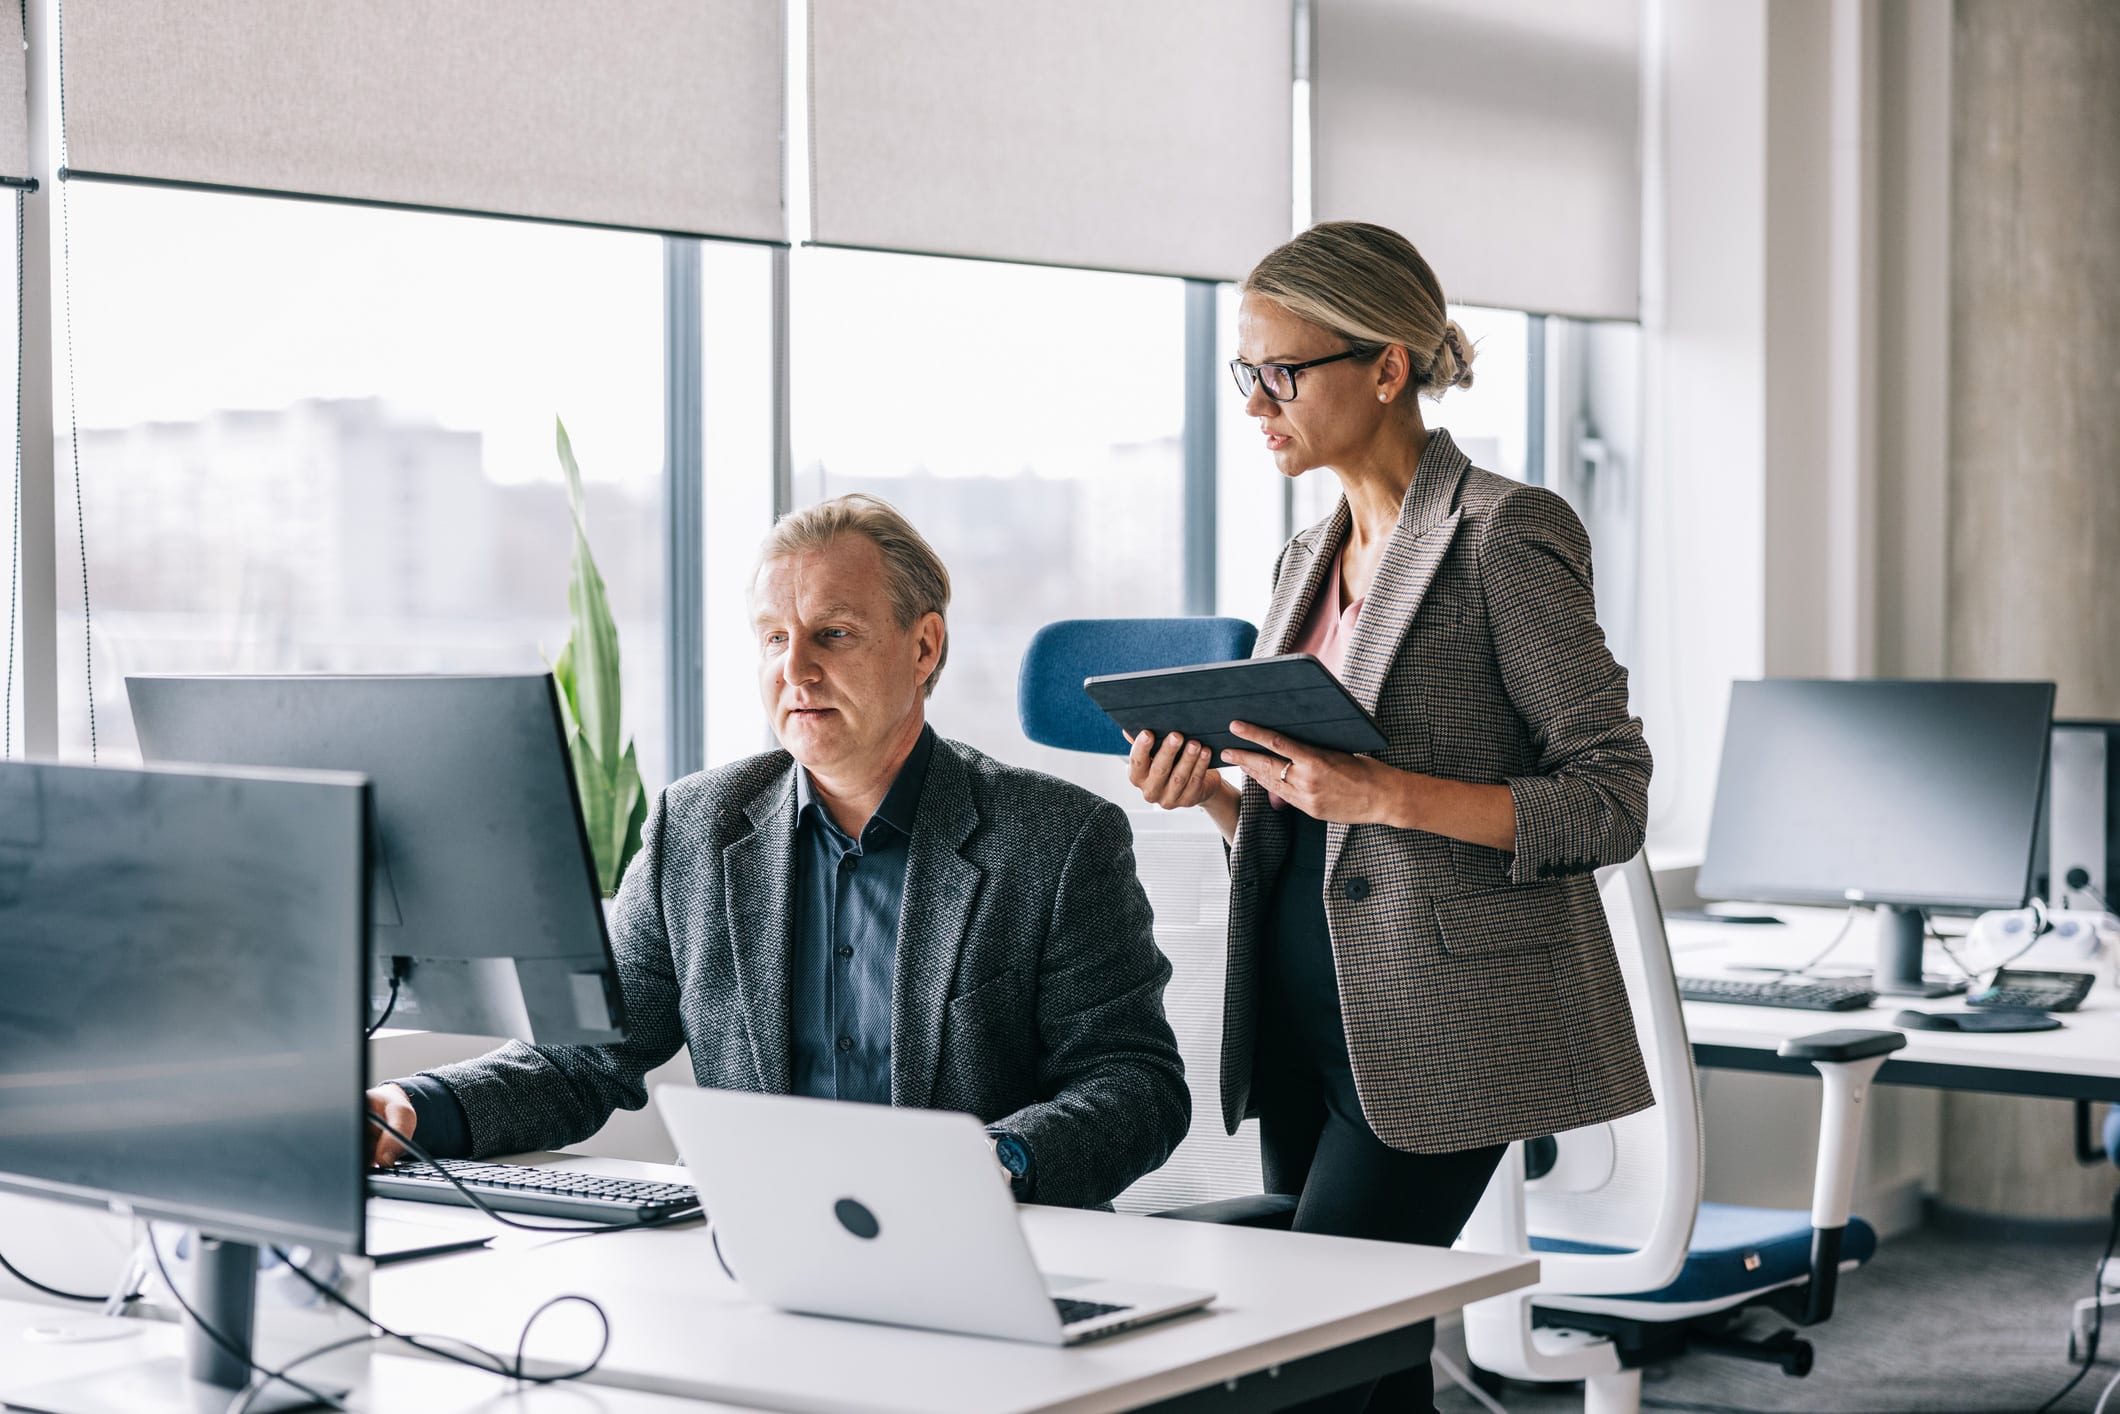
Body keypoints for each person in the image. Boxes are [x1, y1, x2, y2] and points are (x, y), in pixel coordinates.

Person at [1128, 221, 1653, 1411]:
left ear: (1384, 365)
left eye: (1281, 372)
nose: (1255, 400)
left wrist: (1383, 792)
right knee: (1355, 1367)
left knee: (1314, 1356)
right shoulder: (1301, 557)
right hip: (1304, 1019)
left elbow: (1609, 795)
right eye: (1242, 372)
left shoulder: (1503, 535)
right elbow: (1314, 823)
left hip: (1443, 1026)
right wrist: (1216, 797)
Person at [370, 493, 1190, 1210]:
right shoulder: (695, 828)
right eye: (772, 638)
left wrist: (1000, 1161)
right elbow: (585, 1059)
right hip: (762, 1253)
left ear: (924, 647)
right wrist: (415, 1106)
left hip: (991, 1247)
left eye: (832, 634)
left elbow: (1136, 1086)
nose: (795, 668)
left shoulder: (1055, 838)